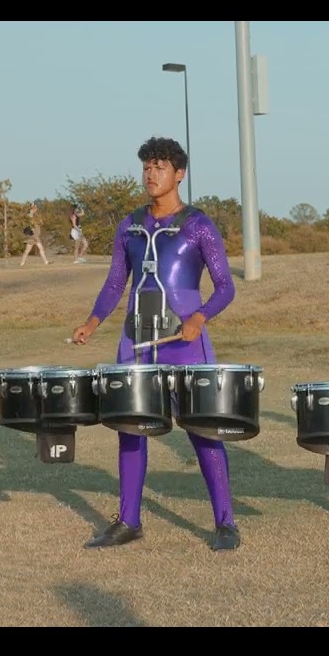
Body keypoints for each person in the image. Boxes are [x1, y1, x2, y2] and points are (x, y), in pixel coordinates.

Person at [70, 136, 240, 551]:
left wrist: (199, 317)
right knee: (130, 427)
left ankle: (225, 523)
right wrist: (92, 322)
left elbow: (225, 286)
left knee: (203, 429)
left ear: (179, 174)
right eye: (147, 166)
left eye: (160, 167)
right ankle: (128, 521)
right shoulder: (129, 226)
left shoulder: (199, 225)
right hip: (137, 340)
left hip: (184, 341)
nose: (151, 174)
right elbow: (115, 283)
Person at [19, 202, 50, 266]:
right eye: (35, 207)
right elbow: (30, 221)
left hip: (35, 235)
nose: (36, 208)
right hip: (33, 235)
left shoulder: (36, 215)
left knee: (39, 248)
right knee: (28, 250)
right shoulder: (31, 214)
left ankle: (45, 261)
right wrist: (32, 228)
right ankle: (22, 262)